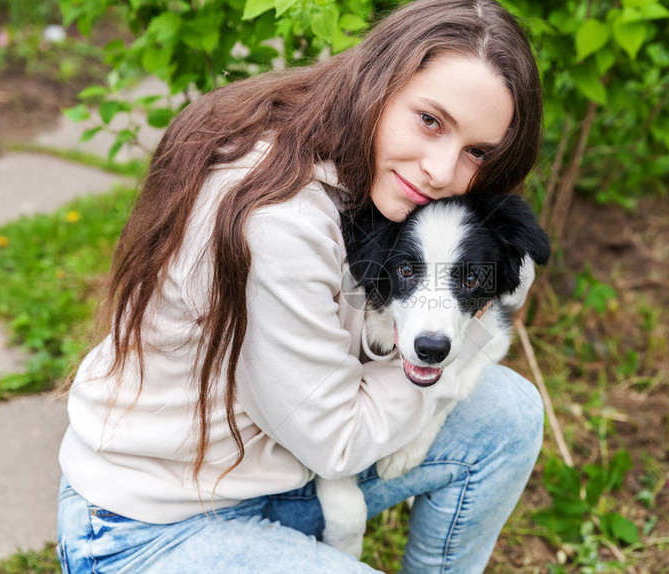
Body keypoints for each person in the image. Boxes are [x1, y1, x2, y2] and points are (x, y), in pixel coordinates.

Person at [56, 0, 545, 571]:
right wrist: (441, 348)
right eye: (431, 120)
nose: (441, 171)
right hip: (153, 525)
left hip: (277, 475)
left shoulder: (378, 171)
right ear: (381, 80)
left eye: (477, 152)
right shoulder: (279, 216)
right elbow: (338, 443)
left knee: (508, 415)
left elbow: (517, 265)